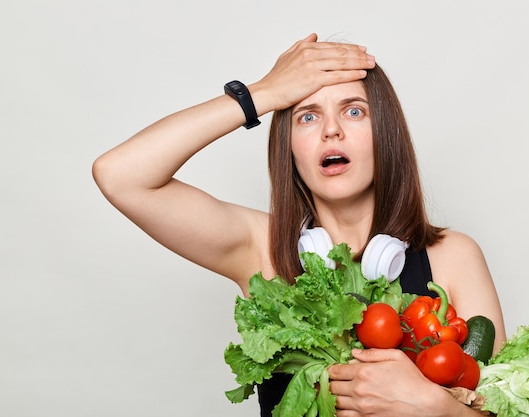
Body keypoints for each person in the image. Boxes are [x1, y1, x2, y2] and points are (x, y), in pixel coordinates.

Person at [93, 33, 506, 417]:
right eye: (307, 117)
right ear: (288, 148)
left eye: (354, 111)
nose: (331, 130)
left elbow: (506, 404)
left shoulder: (453, 257)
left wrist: (438, 408)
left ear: (385, 132)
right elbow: (121, 175)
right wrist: (264, 94)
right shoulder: (261, 249)